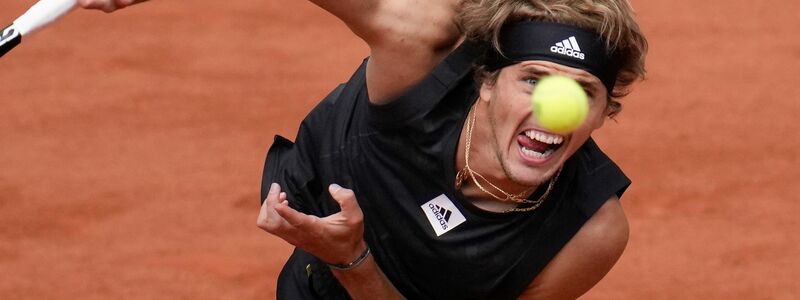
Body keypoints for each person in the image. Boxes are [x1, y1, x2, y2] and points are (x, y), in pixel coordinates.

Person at [83, 0, 648, 298]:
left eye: (583, 93)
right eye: (533, 80)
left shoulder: (589, 232)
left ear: (605, 112)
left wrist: (352, 260)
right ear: (486, 79)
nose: (554, 109)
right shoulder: (420, 47)